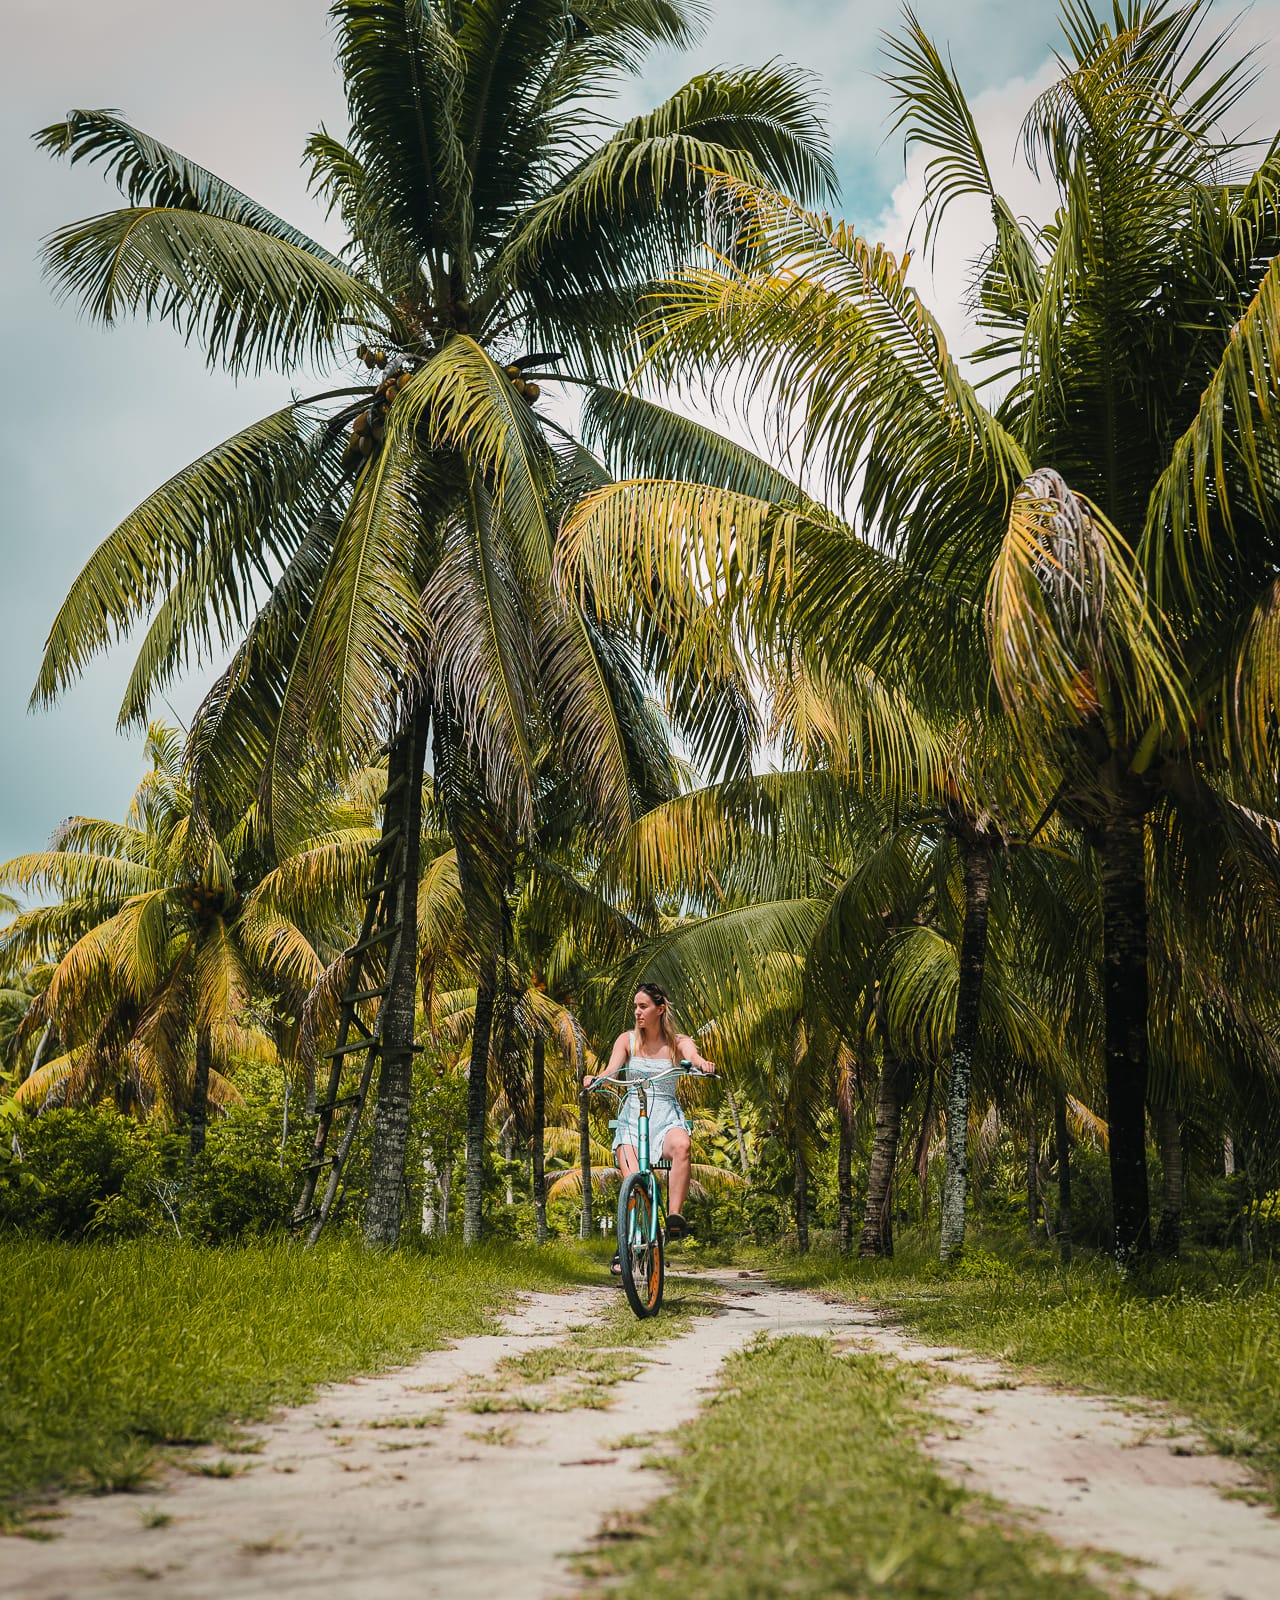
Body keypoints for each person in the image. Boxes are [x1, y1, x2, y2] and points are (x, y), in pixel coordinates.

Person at [583, 982, 716, 1271]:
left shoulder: (678, 1041)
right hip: (632, 1117)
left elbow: (693, 1057)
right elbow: (612, 1070)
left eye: (643, 1006)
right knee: (633, 1185)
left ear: (660, 1008)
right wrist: (597, 1079)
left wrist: (702, 1063)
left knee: (683, 1145)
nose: (637, 1012)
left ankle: (674, 1218)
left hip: (666, 1116)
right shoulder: (627, 1041)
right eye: (635, 1007)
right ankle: (628, 1246)